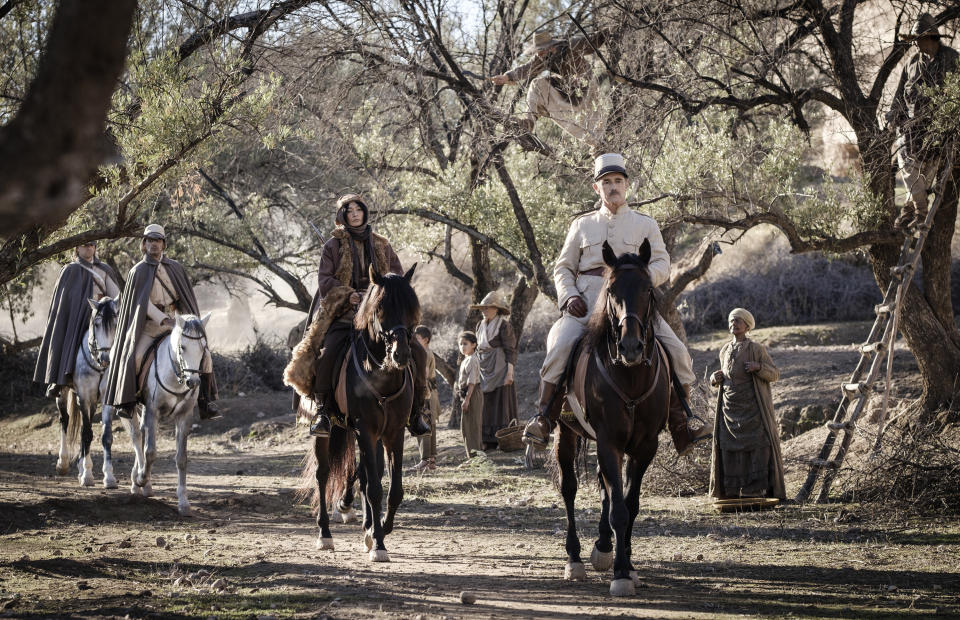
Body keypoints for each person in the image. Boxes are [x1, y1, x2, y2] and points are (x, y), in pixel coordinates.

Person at [522, 153, 711, 455]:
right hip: (586, 302)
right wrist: (569, 296)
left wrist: (643, 277)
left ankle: (681, 421)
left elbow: (663, 261)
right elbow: (563, 268)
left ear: (627, 186)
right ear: (596, 188)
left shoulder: (645, 224)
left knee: (678, 352)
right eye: (606, 182)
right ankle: (543, 417)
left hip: (633, 306)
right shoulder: (581, 225)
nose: (613, 187)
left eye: (618, 181)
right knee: (560, 345)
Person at [287, 194, 430, 438]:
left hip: (379, 316)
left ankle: (415, 412)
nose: (354, 213)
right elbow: (325, 280)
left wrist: (378, 293)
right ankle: (324, 412)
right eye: (349, 210)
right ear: (342, 215)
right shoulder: (332, 246)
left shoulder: (381, 244)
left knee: (417, 350)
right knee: (329, 352)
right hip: (344, 313)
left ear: (365, 212)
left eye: (358, 209)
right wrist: (348, 294)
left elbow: (396, 276)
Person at [104, 224, 219, 419]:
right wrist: (164, 320)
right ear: (144, 244)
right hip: (149, 327)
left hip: (177, 325)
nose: (154, 244)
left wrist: (186, 321)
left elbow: (183, 296)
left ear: (163, 243)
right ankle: (128, 401)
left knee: (204, 354)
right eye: (150, 240)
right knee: (135, 356)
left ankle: (205, 402)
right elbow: (142, 303)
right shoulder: (138, 271)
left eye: (157, 240)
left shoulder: (175, 268)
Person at [886, 12, 959, 230]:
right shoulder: (912, 63)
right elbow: (899, 94)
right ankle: (919, 210)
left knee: (922, 174)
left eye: (919, 39)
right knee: (906, 160)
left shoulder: (951, 59)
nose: (916, 44)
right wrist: (892, 115)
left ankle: (910, 210)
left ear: (931, 38)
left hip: (941, 130)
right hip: (913, 128)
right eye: (915, 40)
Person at [709, 308, 786, 500]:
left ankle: (754, 491)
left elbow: (774, 374)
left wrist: (758, 367)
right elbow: (724, 376)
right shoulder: (725, 350)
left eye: (737, 321)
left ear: (747, 325)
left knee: (757, 446)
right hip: (729, 411)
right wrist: (714, 378)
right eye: (731, 321)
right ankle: (731, 491)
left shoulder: (756, 349)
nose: (733, 324)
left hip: (753, 410)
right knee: (728, 448)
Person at [489, 30, 606, 150]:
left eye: (540, 50)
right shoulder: (542, 57)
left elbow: (594, 41)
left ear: (551, 47)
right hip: (569, 91)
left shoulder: (572, 45)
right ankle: (528, 123)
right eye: (537, 50)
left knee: (594, 128)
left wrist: (609, 31)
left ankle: (599, 143)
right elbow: (526, 69)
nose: (538, 54)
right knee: (537, 86)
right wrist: (506, 77)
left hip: (586, 89)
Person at [34, 241, 120, 398]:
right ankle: (59, 380)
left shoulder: (104, 269)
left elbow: (115, 296)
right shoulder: (69, 270)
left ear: (95, 247)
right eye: (85, 244)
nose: (88, 247)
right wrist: (78, 310)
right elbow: (64, 303)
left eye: (92, 245)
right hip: (76, 318)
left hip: (101, 317)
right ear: (77, 247)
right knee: (68, 339)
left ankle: (125, 379)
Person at [470, 292, 519, 450]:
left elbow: (510, 350)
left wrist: (509, 372)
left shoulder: (504, 325)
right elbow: (477, 348)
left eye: (488, 307)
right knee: (485, 403)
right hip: (484, 367)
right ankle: (486, 439)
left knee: (500, 401)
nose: (485, 310)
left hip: (500, 368)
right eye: (483, 308)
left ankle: (503, 439)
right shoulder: (480, 325)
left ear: (496, 309)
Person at [412, 325, 441, 472]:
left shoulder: (424, 353)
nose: (414, 341)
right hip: (431, 393)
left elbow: (424, 374)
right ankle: (431, 460)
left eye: (417, 338)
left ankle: (425, 459)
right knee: (429, 425)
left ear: (425, 340)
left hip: (426, 394)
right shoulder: (427, 352)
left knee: (423, 423)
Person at [455, 331, 483, 458]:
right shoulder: (465, 360)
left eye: (465, 343)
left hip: (472, 394)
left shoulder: (473, 360)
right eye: (460, 344)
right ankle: (471, 455)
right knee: (466, 426)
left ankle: (476, 456)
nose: (462, 346)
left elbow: (471, 382)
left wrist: (467, 400)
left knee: (473, 425)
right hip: (466, 394)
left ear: (474, 345)